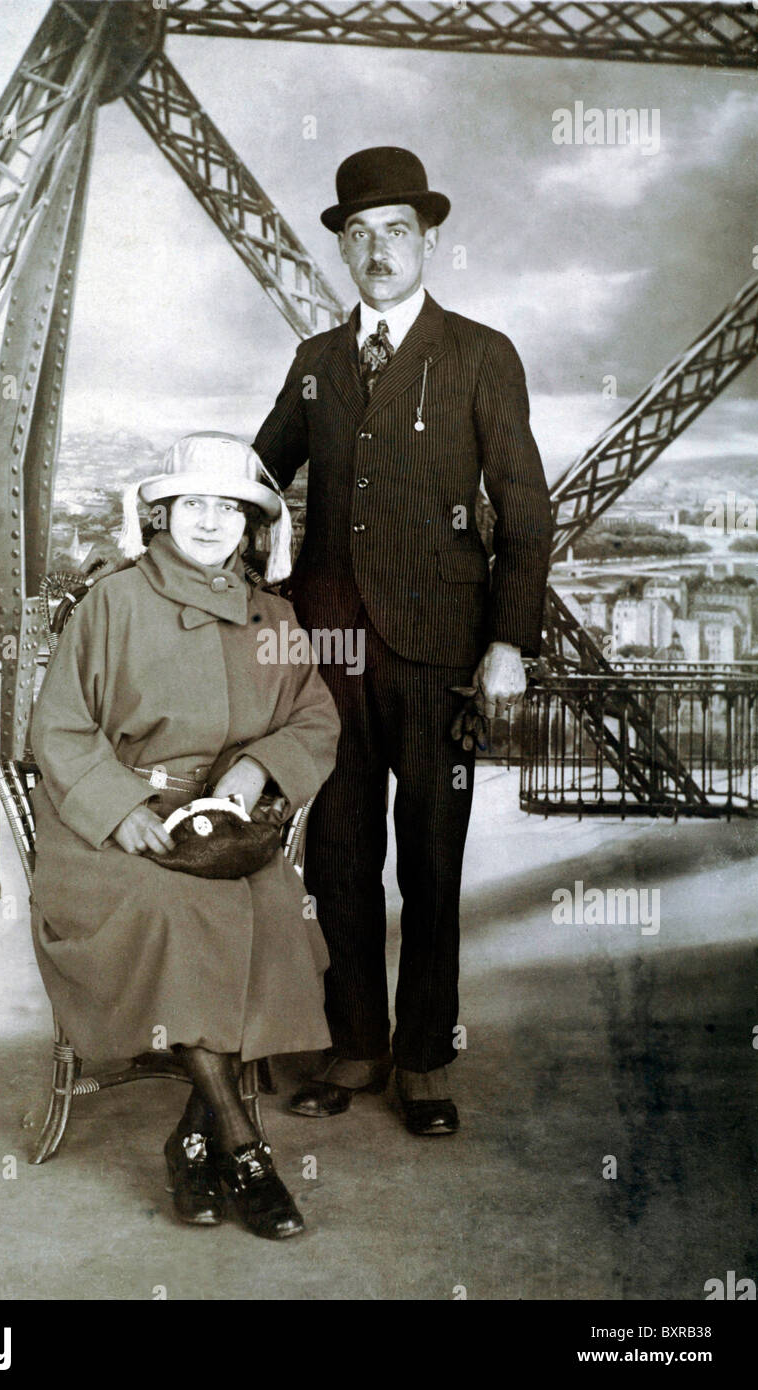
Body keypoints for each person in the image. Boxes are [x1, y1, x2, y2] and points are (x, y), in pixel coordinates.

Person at [253, 147, 553, 1136]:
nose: (376, 251)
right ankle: (354, 1042)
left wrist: (507, 643)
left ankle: (423, 1054)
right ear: (340, 249)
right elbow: (257, 483)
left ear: (427, 239)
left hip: (438, 651)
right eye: (357, 236)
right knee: (336, 856)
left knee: (430, 856)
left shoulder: (478, 354)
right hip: (330, 654)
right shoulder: (314, 366)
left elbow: (524, 511)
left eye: (394, 232)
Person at [28, 432, 341, 1239]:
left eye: (227, 508)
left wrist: (257, 769)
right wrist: (120, 808)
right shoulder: (114, 603)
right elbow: (59, 727)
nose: (209, 522)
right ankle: (245, 1152)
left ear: (250, 526)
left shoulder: (273, 616)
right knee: (181, 917)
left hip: (223, 831)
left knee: (276, 911)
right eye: (191, 505)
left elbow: (313, 716)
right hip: (111, 836)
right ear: (161, 515)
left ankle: (189, 1140)